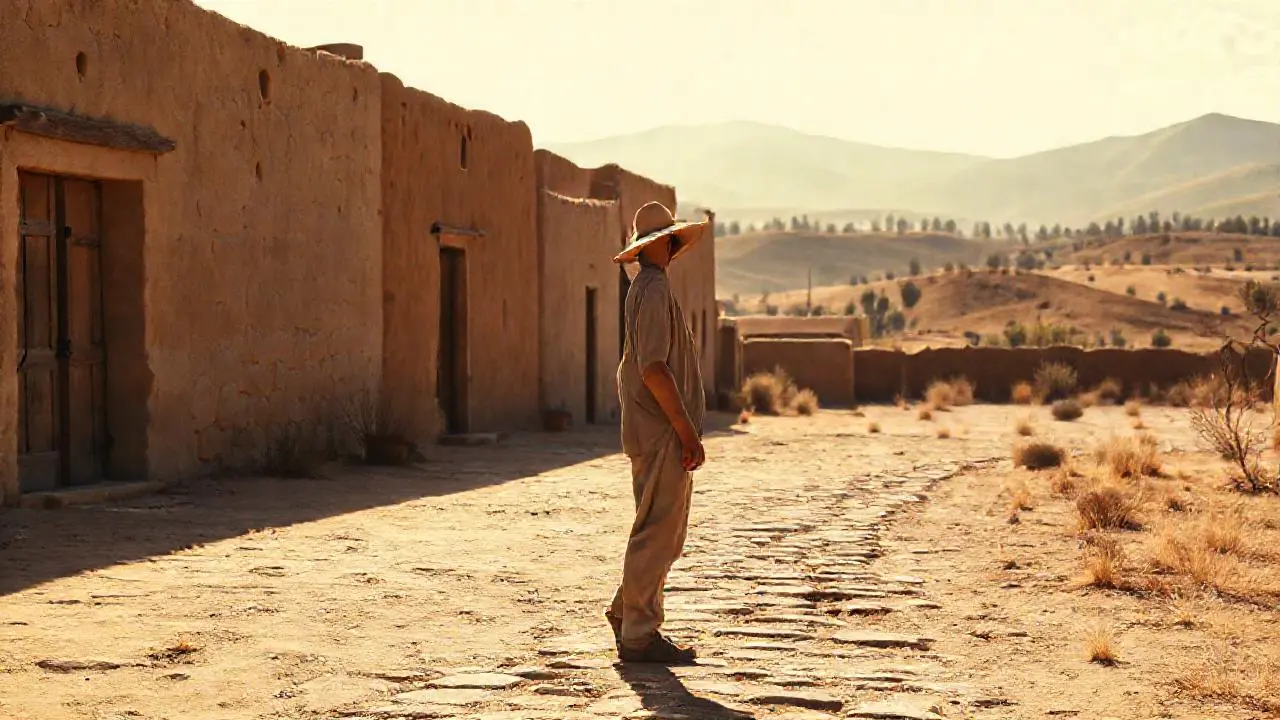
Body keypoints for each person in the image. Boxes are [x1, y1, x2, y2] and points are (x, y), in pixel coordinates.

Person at [605, 201, 709, 665]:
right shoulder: (651, 290)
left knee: (662, 528)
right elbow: (653, 368)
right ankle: (640, 635)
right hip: (659, 429)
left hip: (656, 427)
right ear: (663, 243)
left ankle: (626, 611)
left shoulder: (650, 288)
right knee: (657, 532)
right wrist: (685, 429)